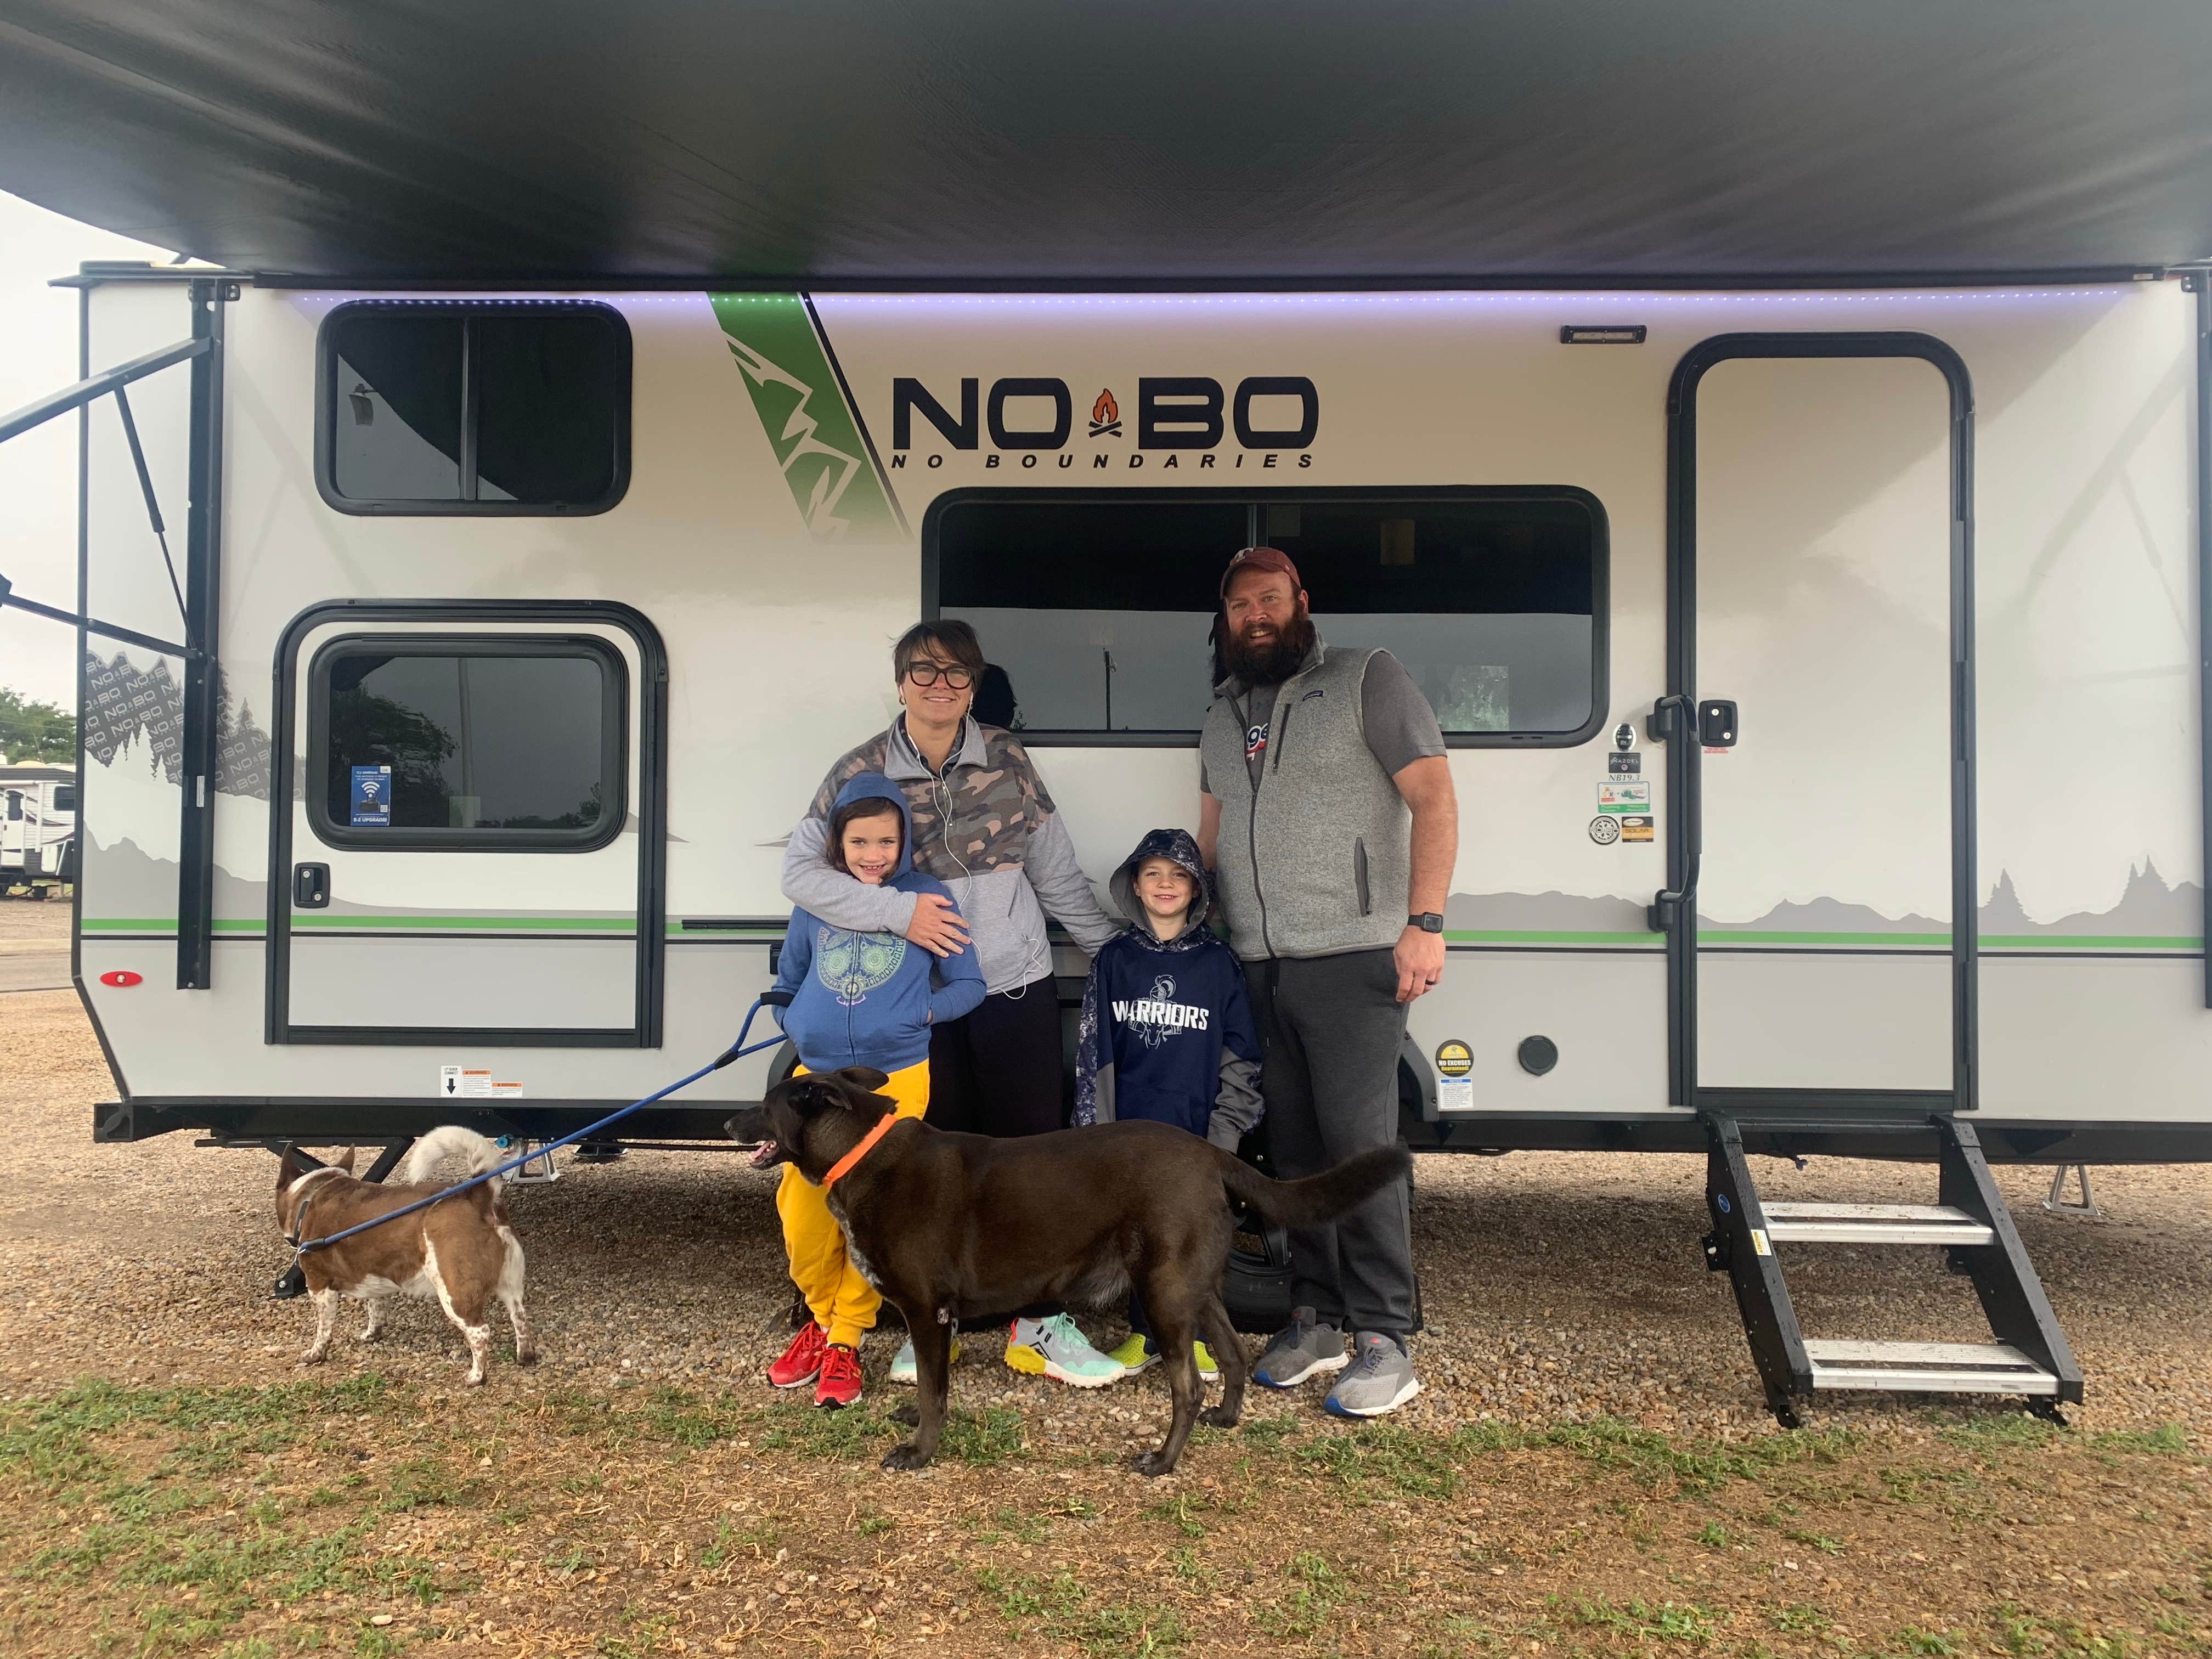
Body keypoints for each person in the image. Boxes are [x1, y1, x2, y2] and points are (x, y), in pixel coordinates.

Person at [782, 618, 1128, 1388]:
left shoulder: (1006, 757)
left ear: (975, 684)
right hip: (918, 1006)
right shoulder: (860, 768)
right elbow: (803, 876)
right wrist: (899, 915)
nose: (941, 688)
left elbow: (1058, 870)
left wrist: (1116, 951)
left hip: (1013, 987)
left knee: (1033, 1162)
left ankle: (1038, 1324)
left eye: (958, 676)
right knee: (931, 1176)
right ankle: (931, 1320)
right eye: (925, 673)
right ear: (899, 679)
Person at [1196, 546, 1459, 1418]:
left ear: (1302, 602)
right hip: (1259, 962)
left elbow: (1436, 799)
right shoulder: (1223, 712)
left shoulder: (1366, 679)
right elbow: (1213, 833)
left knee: (1359, 1147)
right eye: (1240, 605)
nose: (1256, 615)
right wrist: (1201, 933)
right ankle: (1312, 1318)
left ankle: (1386, 1335)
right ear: (1226, 618)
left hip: (1354, 958)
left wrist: (1424, 924)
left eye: (1271, 599)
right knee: (1297, 1152)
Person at [763, 774, 985, 1408]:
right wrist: (796, 1022)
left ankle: (845, 1339)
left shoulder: (928, 897)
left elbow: (969, 983)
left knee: (877, 1213)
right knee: (803, 1214)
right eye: (859, 841)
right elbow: (789, 980)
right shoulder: (817, 902)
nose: (873, 854)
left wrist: (920, 1018)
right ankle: (819, 1315)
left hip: (896, 1080)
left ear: (904, 840)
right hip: (816, 1079)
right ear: (838, 843)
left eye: (886, 841)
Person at [1073, 829, 1263, 1380]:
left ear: (1197, 890)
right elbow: (1093, 1055)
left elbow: (1241, 1056)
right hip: (1129, 1137)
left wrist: (1225, 1135)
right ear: (1135, 883)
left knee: (1196, 1237)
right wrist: (1095, 1138)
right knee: (1135, 1239)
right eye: (1153, 873)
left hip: (1195, 1134)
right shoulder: (1114, 960)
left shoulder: (1218, 964)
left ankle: (1199, 1337)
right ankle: (1144, 1335)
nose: (1166, 885)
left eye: (1180, 875)